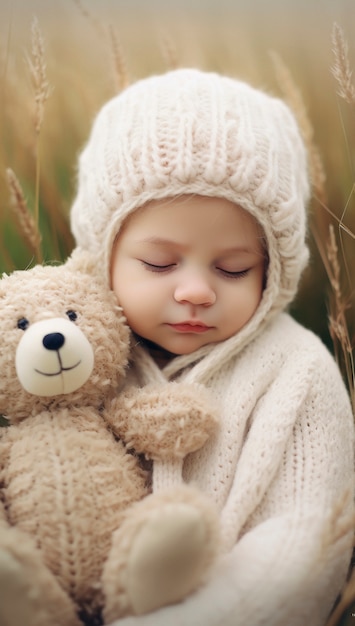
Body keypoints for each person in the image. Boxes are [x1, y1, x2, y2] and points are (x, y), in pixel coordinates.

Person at [70, 67, 355, 626]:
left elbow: (301, 548)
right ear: (102, 254)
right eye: (159, 263)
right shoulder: (70, 355)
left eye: (233, 268)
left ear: (271, 270)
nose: (196, 290)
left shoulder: (298, 373)